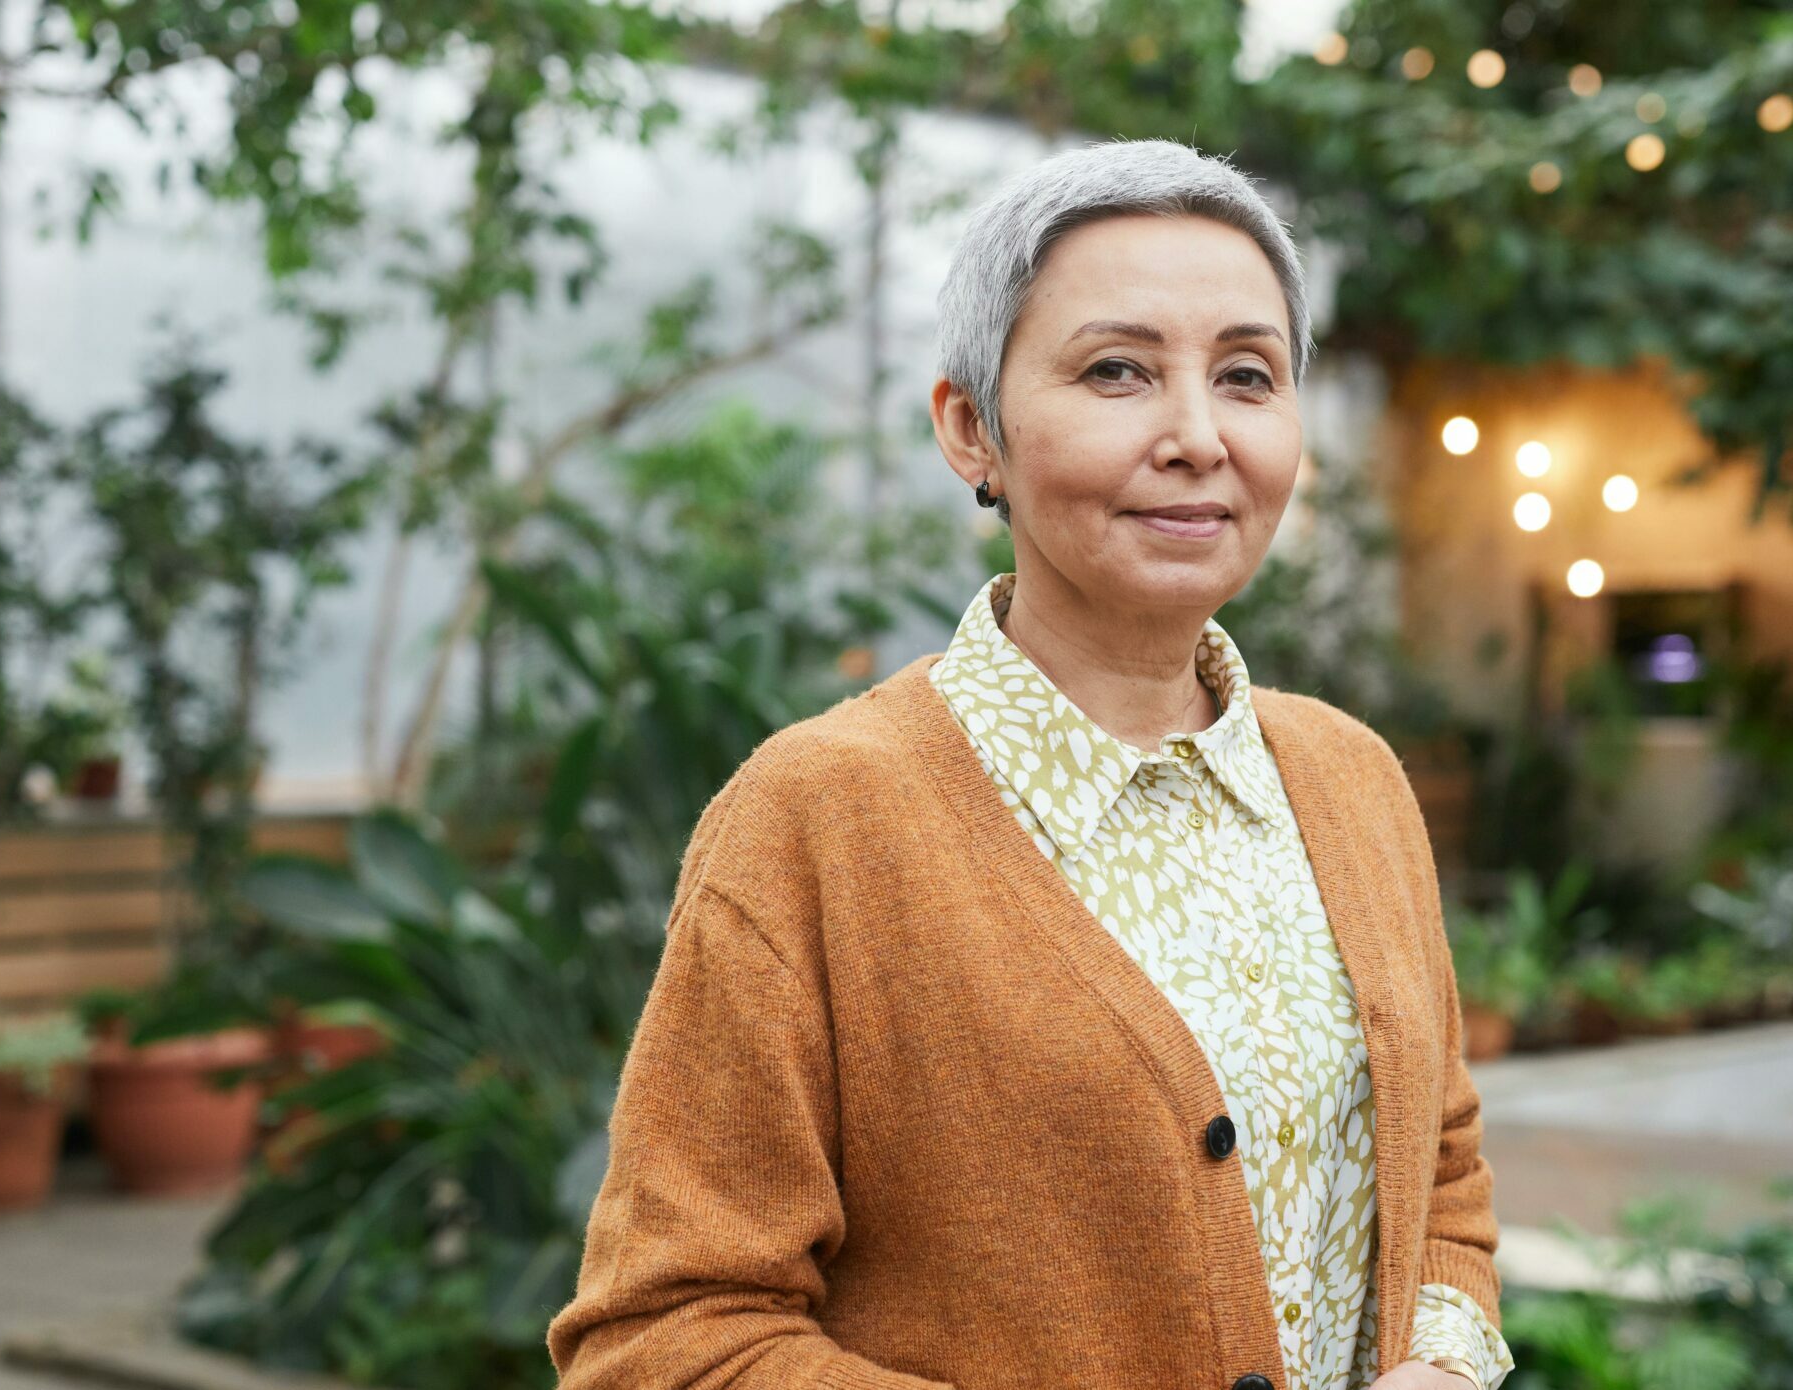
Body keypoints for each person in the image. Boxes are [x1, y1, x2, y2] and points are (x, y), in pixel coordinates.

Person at [546, 137, 1512, 1390]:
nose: (1196, 435)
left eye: (1247, 376)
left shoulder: (1351, 779)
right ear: (971, 430)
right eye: (1116, 370)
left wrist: (1439, 1365)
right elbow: (663, 1337)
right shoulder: (818, 819)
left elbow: (1440, 1170)